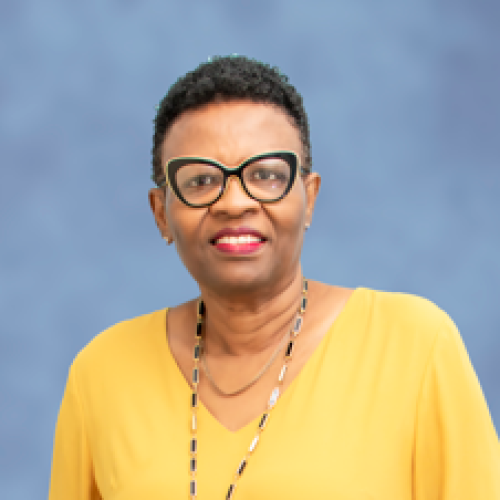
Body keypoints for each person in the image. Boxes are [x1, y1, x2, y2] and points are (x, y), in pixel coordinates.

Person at [48, 55, 500, 500]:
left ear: (309, 197)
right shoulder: (101, 374)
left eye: (265, 175)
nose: (234, 203)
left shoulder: (413, 345)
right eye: (201, 181)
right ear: (161, 214)